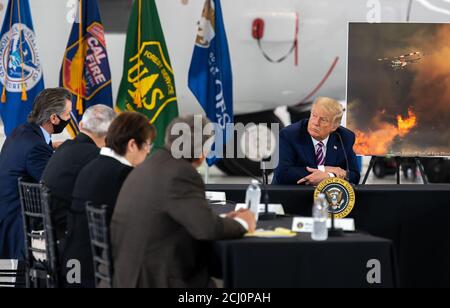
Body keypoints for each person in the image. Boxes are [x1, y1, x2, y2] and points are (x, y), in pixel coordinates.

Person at [110, 115, 256, 288]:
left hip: (130, 275)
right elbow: (206, 229)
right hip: (158, 279)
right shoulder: (181, 173)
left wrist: (226, 220)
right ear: (201, 150)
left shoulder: (149, 165)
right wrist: (243, 223)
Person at [61, 112, 156, 288]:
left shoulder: (92, 166)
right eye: (148, 144)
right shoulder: (123, 175)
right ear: (132, 144)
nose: (149, 151)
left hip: (74, 265)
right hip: (97, 273)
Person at [0, 88, 72, 259]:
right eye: (68, 114)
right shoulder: (36, 147)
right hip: (19, 224)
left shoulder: (21, 131)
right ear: (54, 118)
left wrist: (52, 148)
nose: (70, 118)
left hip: (6, 214)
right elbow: (54, 184)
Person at [42, 104, 116, 241]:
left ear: (81, 125)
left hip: (49, 225)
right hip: (68, 233)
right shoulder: (95, 157)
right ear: (111, 132)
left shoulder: (64, 147)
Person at [273, 97, 360, 186]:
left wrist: (329, 176)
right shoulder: (290, 134)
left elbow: (354, 176)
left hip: (329, 196)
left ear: (334, 127)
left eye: (323, 120)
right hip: (292, 195)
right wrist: (323, 169)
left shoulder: (345, 137)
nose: (316, 123)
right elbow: (282, 173)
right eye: (314, 116)